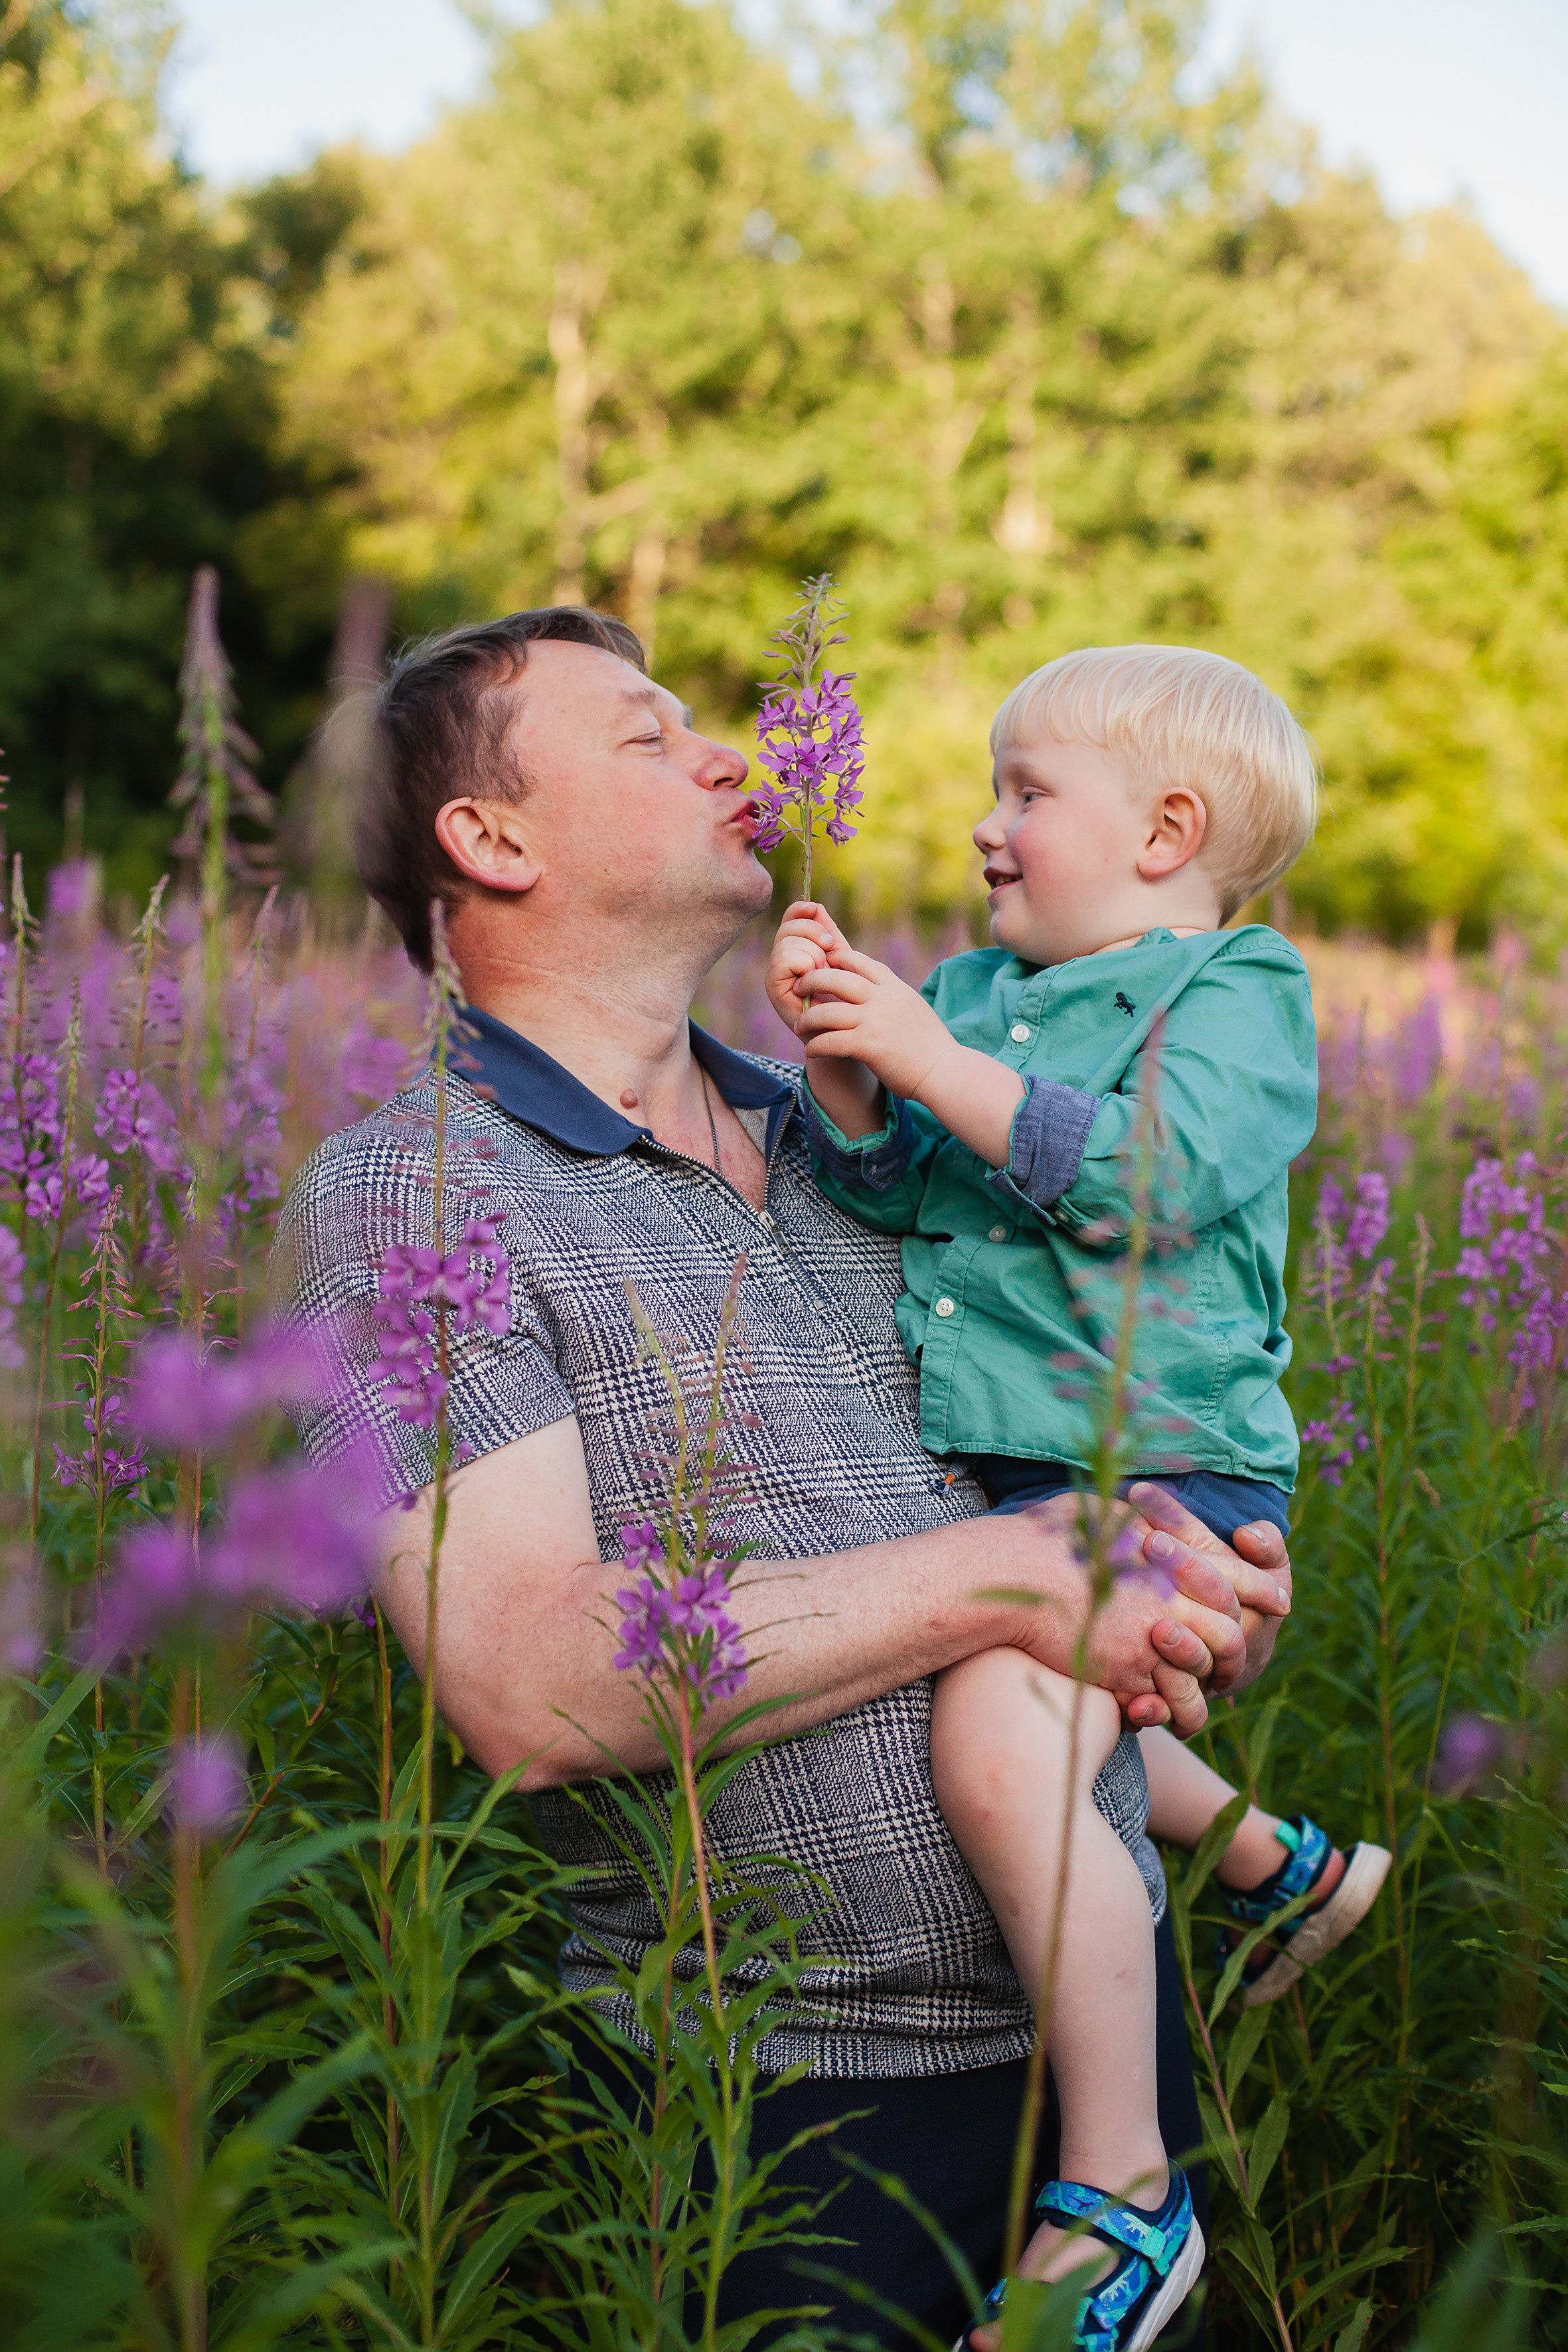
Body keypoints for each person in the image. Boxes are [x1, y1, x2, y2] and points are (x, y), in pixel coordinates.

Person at [274, 607, 1294, 2348]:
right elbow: (527, 1686)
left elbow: (1128, 1421)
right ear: (489, 838)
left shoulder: (879, 1137)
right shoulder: (411, 1205)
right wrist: (1020, 1575)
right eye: (650, 735)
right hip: (789, 2119)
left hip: (1113, 2036)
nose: (731, 756)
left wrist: (1192, 1608)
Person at [764, 645, 1392, 2350]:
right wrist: (850, 1074)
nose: (982, 827)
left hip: (1155, 1455)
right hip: (1015, 1469)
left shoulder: (1234, 990)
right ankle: (1281, 1861)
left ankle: (1123, 2184)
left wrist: (922, 1045)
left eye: (1025, 793)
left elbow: (1147, 1180)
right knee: (1007, 1698)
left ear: (1166, 827)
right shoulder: (969, 994)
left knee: (994, 1735)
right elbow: (899, 1196)